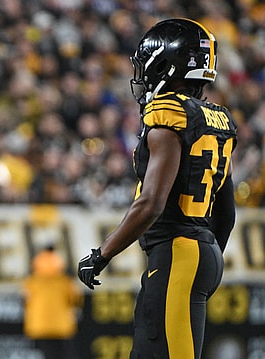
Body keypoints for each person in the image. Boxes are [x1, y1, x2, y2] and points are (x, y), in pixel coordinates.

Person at [77, 18, 237, 359]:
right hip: (198, 250)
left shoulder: (167, 113)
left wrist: (102, 254)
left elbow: (150, 204)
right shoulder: (217, 117)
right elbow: (226, 213)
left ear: (167, 62)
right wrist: (206, 255)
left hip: (178, 251)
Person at [23, 245, 83, 359]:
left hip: (39, 324)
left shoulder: (31, 281)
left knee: (46, 354)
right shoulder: (65, 281)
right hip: (62, 325)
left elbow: (26, 299)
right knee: (64, 355)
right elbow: (76, 299)